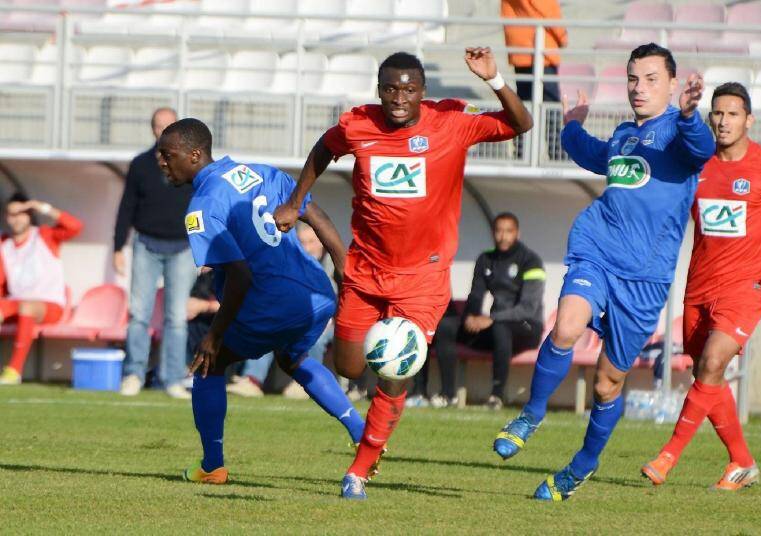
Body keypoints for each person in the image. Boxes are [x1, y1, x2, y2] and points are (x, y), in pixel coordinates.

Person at [273, 48, 533, 499]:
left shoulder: (451, 122)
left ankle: (360, 468)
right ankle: (366, 423)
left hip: (422, 280)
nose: (399, 98)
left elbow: (520, 124)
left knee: (395, 373)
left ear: (422, 92)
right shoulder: (357, 125)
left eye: (409, 89)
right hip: (365, 271)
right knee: (349, 366)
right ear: (379, 90)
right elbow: (323, 149)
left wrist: (494, 80)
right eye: (391, 89)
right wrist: (297, 201)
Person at [492, 43, 714, 501]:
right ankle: (531, 414)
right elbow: (590, 153)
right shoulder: (623, 136)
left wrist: (692, 115)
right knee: (567, 325)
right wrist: (571, 123)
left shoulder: (679, 134)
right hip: (597, 249)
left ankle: (582, 465)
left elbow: (702, 147)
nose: (639, 88)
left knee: (608, 381)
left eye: (651, 79)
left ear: (673, 85)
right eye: (633, 78)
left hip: (645, 278)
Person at [158, 118, 365, 485]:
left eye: (167, 154)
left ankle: (212, 466)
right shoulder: (259, 171)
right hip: (316, 294)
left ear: (194, 155)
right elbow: (314, 213)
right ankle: (362, 432)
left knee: (209, 365)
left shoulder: (202, 206)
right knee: (292, 357)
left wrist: (213, 336)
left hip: (272, 300)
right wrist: (343, 268)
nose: (161, 161)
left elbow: (240, 277)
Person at [641, 82, 761, 491]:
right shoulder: (698, 164)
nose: (723, 122)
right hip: (699, 287)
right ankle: (741, 462)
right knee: (708, 372)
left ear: (749, 120)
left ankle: (667, 457)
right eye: (717, 114)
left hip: (747, 288)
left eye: (732, 114)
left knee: (711, 364)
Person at [425, 212, 545, 410]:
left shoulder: (531, 260)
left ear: (517, 233)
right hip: (496, 326)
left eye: (508, 231)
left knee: (500, 328)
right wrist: (471, 317)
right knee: (446, 326)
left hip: (527, 328)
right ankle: (448, 394)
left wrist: (491, 319)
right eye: (499, 231)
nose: (503, 236)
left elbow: (528, 308)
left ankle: (496, 397)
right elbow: (476, 295)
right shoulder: (486, 259)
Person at [115, 107, 197, 399]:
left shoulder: (191, 163)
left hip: (184, 248)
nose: (162, 130)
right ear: (152, 129)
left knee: (176, 317)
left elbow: (204, 205)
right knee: (139, 314)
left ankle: (173, 378)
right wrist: (117, 247)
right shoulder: (139, 164)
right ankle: (133, 374)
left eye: (168, 126)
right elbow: (126, 206)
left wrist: (206, 245)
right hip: (146, 245)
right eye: (158, 126)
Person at [225, 223, 336, 399]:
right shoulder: (290, 264)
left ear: (321, 242)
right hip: (296, 320)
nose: (307, 247)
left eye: (312, 242)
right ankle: (252, 381)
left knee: (316, 335)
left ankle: (306, 384)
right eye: (303, 242)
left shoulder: (334, 264)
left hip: (331, 323)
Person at [0, 194, 82, 385]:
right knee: (17, 306)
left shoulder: (44, 235)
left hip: (50, 305)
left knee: (26, 307)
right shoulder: (5, 244)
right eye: (12, 214)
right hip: (16, 302)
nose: (16, 218)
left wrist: (43, 207)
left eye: (21, 213)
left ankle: (14, 371)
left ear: (30, 215)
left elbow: (75, 227)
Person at [501, 0, 567, 158]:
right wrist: (562, 36)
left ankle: (522, 151)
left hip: (519, 47)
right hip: (541, 48)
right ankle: (556, 151)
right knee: (550, 103)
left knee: (523, 103)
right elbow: (545, 8)